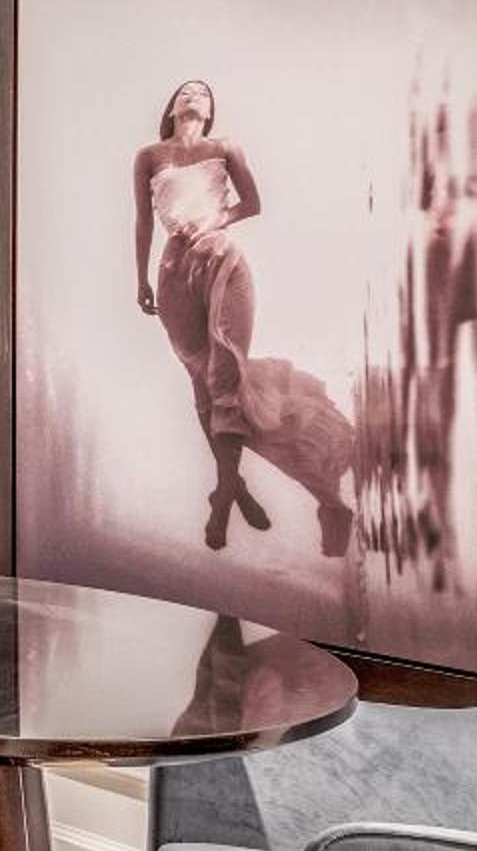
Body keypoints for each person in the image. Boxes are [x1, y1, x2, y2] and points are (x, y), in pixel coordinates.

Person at [132, 80, 354, 555]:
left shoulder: (225, 147)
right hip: (174, 273)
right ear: (171, 106)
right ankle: (234, 486)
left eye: (203, 93)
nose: (194, 95)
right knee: (203, 387)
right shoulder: (148, 156)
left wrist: (212, 221)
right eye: (186, 91)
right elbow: (143, 221)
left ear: (210, 110)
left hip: (222, 260)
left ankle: (229, 495)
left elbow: (252, 204)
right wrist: (140, 279)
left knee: (226, 374)